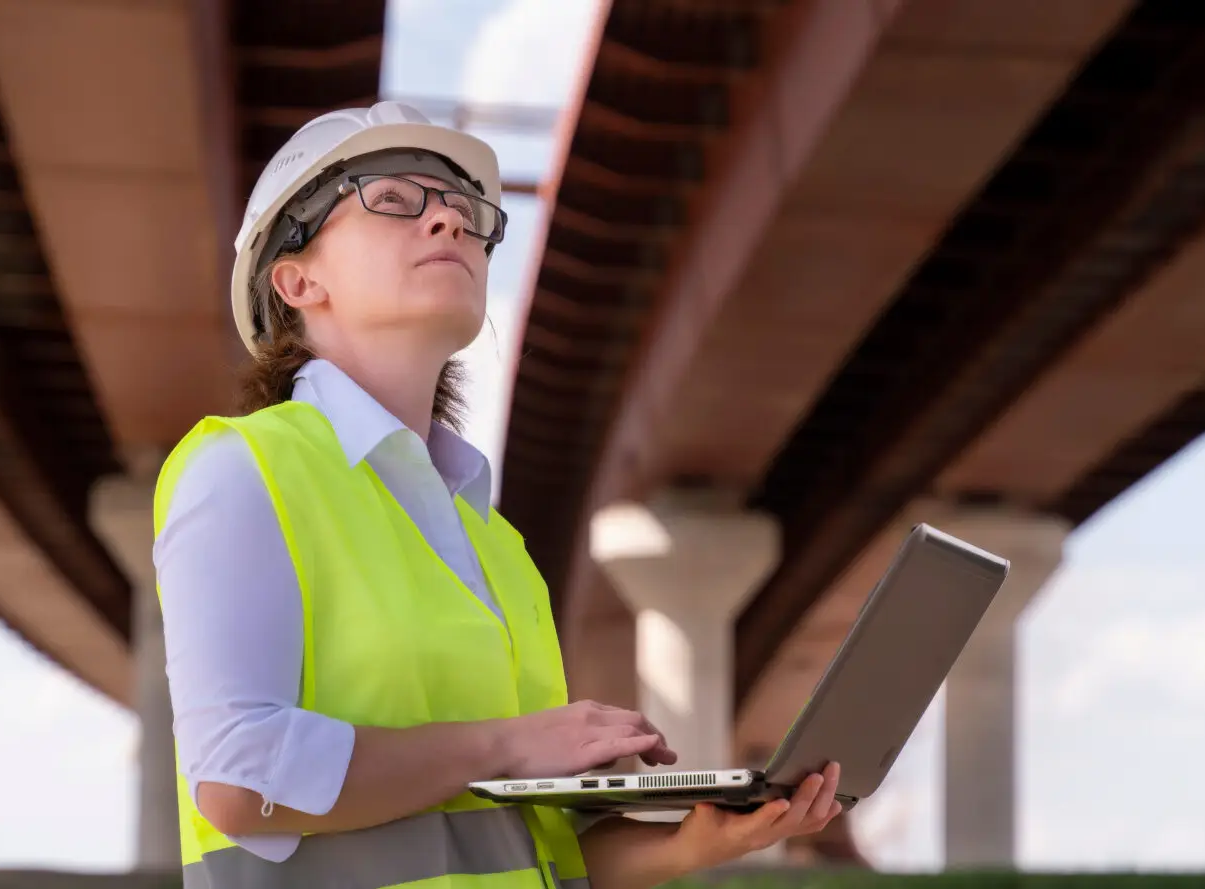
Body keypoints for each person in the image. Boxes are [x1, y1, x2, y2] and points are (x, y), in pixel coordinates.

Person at [151, 100, 844, 889]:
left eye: (465, 211)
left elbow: (533, 843)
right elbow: (238, 778)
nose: (449, 220)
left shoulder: (496, 544)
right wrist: (507, 743)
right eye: (393, 198)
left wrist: (696, 842)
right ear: (296, 279)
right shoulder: (243, 469)